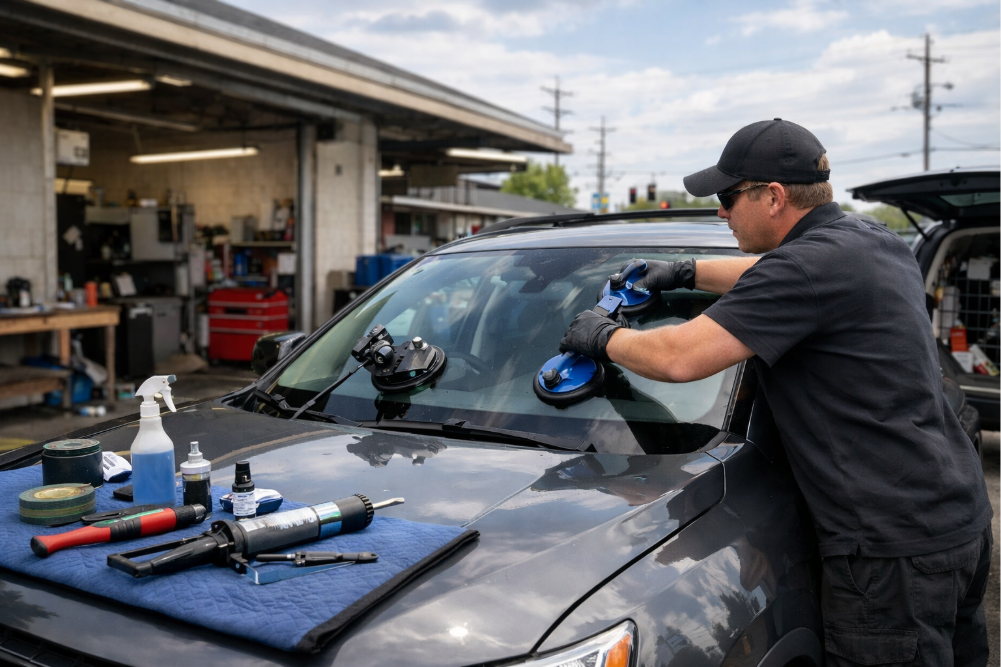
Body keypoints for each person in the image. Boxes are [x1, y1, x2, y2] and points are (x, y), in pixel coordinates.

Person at [558, 118, 993, 666]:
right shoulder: (871, 241)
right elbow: (771, 275)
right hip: (956, 519)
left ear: (773, 197)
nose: (721, 212)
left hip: (889, 552)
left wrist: (602, 336)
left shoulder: (807, 269)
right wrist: (685, 271)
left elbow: (678, 357)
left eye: (727, 196)